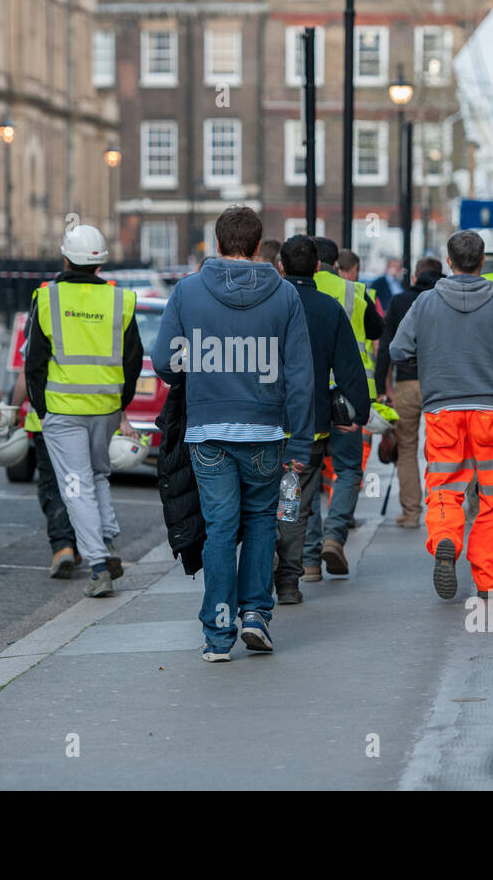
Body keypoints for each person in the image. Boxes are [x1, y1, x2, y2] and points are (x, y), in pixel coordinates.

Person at [152, 206, 314, 661]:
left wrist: (202, 374)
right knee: (261, 520)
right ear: (260, 246)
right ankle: (257, 615)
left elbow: (165, 361)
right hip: (264, 429)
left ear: (217, 243)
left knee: (220, 528)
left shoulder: (187, 292)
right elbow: (300, 376)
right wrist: (300, 442)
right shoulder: (284, 296)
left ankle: (219, 635)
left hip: (208, 431)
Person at [390, 230, 493, 600]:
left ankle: (445, 538)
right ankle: (489, 580)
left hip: (442, 411)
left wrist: (429, 358)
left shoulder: (425, 303)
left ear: (450, 262)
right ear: (481, 263)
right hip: (492, 411)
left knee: (444, 487)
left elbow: (397, 350)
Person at [25, 225, 142, 598]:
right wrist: (120, 404)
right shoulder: (119, 299)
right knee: (98, 475)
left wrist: (42, 409)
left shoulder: (48, 298)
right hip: (105, 407)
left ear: (65, 258)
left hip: (63, 410)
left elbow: (35, 362)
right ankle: (106, 544)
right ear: (100, 264)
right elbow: (133, 359)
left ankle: (97, 566)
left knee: (75, 487)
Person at [275, 235, 368, 604]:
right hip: (308, 426)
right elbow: (349, 368)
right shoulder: (330, 309)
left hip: (263, 423)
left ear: (281, 266)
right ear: (317, 267)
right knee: (296, 502)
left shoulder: (269, 306)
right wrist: (355, 413)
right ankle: (290, 579)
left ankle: (266, 566)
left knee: (266, 502)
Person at [305, 237, 382, 579]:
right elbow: (379, 332)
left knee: (305, 476)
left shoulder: (291, 290)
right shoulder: (355, 293)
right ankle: (334, 536)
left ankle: (308, 562)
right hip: (347, 399)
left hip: (306, 398)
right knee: (348, 469)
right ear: (336, 265)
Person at [375, 256, 445, 528]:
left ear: (415, 276)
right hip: (441, 385)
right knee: (442, 450)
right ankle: (441, 509)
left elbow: (386, 348)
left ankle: (411, 512)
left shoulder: (400, 301)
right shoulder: (447, 301)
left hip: (406, 383)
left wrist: (383, 388)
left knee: (405, 449)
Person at [10, 349, 81, 578]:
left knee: (52, 485)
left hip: (47, 421)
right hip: (86, 419)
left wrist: (13, 409)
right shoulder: (95, 322)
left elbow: (26, 373)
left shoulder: (45, 318)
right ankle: (89, 546)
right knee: (81, 485)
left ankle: (63, 547)